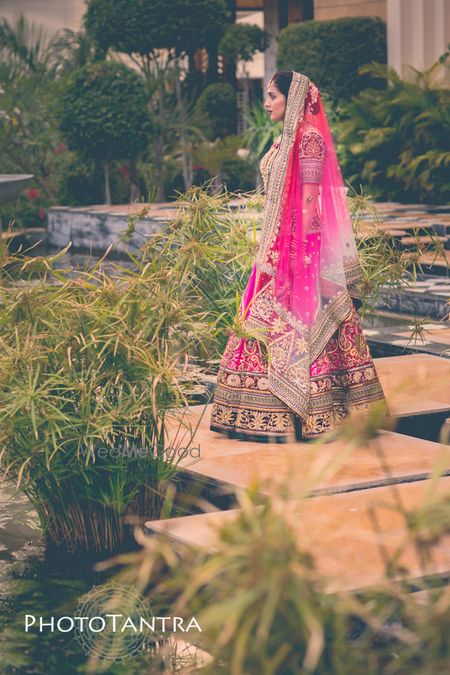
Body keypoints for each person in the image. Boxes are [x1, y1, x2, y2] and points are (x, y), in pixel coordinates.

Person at [209, 70, 387, 442]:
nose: (267, 102)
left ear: (291, 100)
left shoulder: (308, 139)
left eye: (272, 95)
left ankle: (313, 411)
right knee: (263, 318)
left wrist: (298, 255)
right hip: (278, 243)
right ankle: (262, 408)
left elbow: (309, 200)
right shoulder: (284, 140)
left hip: (302, 247)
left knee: (301, 317)